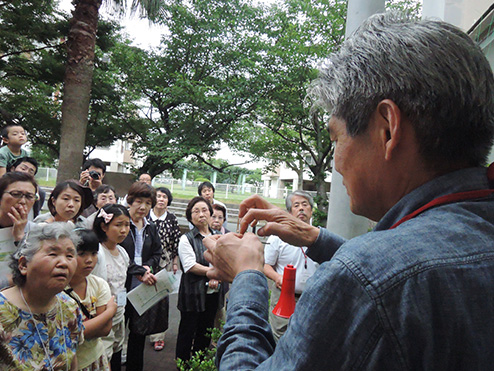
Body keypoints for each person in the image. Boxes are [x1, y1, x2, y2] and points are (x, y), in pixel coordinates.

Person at [203, 12, 494, 369]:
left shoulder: (363, 278)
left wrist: (247, 276)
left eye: (336, 137)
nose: (335, 163)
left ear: (387, 129)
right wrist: (315, 238)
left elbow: (380, 280)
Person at [0, 222, 84, 370]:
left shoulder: (70, 307)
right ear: (24, 265)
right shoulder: (2, 313)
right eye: (53, 254)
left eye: (70, 255)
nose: (64, 263)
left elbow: (72, 359)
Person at [264, 190, 319, 341]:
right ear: (289, 211)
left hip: (310, 298)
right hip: (283, 296)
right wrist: (277, 277)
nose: (301, 208)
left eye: (305, 205)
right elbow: (266, 265)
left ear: (311, 210)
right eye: (296, 205)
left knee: (307, 338)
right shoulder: (277, 236)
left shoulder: (320, 237)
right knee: (281, 337)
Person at [120, 182, 162, 371]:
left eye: (147, 203)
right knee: (117, 332)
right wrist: (139, 272)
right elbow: (115, 253)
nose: (143, 207)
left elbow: (157, 253)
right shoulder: (120, 224)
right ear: (130, 201)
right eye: (138, 201)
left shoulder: (151, 228)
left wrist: (148, 267)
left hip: (142, 288)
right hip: (122, 285)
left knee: (139, 333)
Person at [176, 196, 222, 363]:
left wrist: (218, 274)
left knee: (206, 332)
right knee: (187, 332)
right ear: (190, 217)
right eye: (196, 211)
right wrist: (213, 273)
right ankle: (183, 364)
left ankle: (199, 364)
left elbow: (226, 260)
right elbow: (190, 266)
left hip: (213, 293)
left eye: (205, 210)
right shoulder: (186, 239)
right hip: (192, 293)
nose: (201, 214)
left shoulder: (219, 237)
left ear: (210, 214)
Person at [66, 229, 117, 371]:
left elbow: (105, 329)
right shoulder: (58, 288)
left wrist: (81, 330)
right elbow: (67, 334)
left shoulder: (99, 285)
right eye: (82, 254)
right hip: (67, 362)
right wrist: (109, 312)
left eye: (94, 254)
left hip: (95, 357)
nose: (89, 260)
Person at [91, 204, 131, 371]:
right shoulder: (97, 253)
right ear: (103, 226)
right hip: (101, 315)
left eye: (127, 225)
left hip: (119, 313)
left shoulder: (122, 252)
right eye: (118, 225)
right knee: (102, 356)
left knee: (116, 350)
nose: (123, 230)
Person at [148, 186, 181, 351]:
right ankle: (141, 330)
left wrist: (175, 262)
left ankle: (158, 335)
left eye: (164, 197)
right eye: (158, 196)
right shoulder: (146, 216)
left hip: (165, 263)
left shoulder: (172, 219)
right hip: (145, 263)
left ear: (168, 201)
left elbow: (176, 243)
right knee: (141, 297)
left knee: (161, 299)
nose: (161, 199)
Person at [0, 172, 38, 290]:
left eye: (29, 196)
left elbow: (34, 271)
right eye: (16, 194)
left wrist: (20, 237)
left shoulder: (37, 232)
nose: (22, 201)